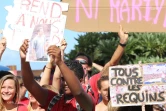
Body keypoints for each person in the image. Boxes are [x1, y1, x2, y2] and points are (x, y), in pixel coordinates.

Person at [20, 39, 95, 111]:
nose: (65, 83)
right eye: (62, 79)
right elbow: (29, 84)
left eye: (68, 80)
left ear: (81, 81)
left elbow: (78, 92)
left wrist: (59, 62)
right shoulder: (53, 99)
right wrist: (24, 59)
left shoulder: (87, 100)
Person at [89, 25, 128, 104]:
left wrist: (122, 42)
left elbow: (111, 64)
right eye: (105, 90)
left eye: (110, 89)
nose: (108, 93)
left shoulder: (95, 80)